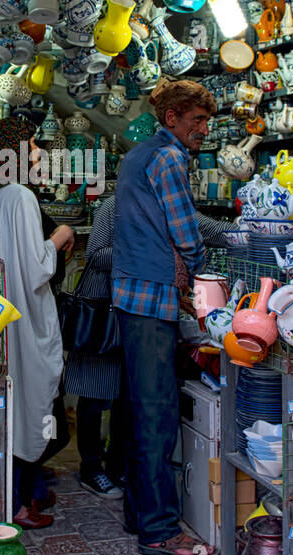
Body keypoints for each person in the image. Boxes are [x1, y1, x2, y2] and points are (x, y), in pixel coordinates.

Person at [65, 194, 239, 500]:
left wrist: (253, 233)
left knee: (127, 394)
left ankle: (117, 463)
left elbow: (210, 230)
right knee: (95, 390)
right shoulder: (115, 205)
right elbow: (96, 256)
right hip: (103, 310)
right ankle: (91, 469)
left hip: (140, 311)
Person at [111, 78, 219, 555]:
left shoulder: (135, 156)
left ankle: (140, 511)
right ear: (172, 117)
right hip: (153, 298)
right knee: (157, 415)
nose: (203, 130)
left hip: (131, 295)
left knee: (139, 410)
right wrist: (194, 267)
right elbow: (185, 229)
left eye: (206, 122)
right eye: (196, 121)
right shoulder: (170, 158)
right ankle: (159, 529)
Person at [0, 117, 75, 529]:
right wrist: (61, 236)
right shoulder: (20, 195)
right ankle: (18, 505)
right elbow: (36, 268)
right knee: (31, 403)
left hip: (4, 315)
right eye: (31, 145)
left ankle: (25, 492)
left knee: (17, 406)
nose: (37, 153)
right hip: (25, 315)